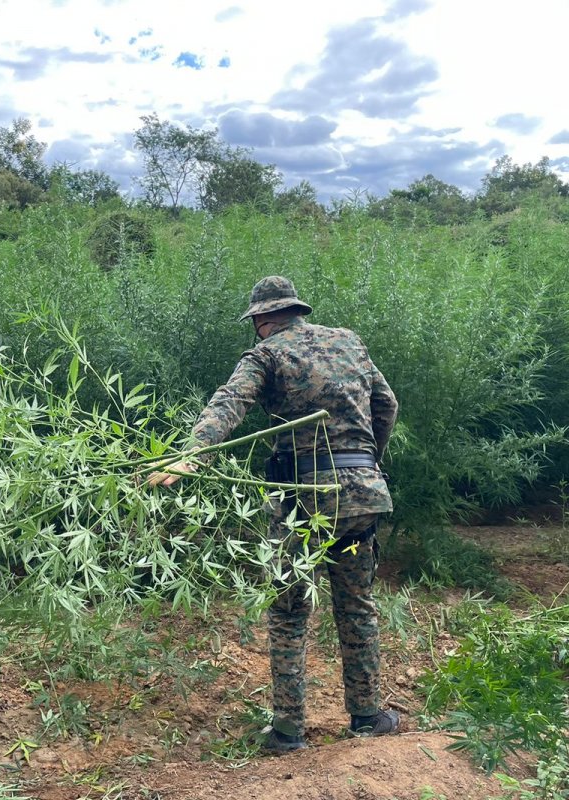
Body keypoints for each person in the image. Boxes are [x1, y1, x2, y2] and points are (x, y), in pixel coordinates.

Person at [148, 275, 400, 753]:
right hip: (361, 498)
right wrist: (369, 460)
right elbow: (386, 404)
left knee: (288, 611)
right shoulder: (349, 341)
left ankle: (288, 732)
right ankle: (368, 717)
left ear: (262, 320)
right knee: (356, 604)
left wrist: (192, 454)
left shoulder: (265, 354)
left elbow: (231, 401)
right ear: (296, 311)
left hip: (300, 501)